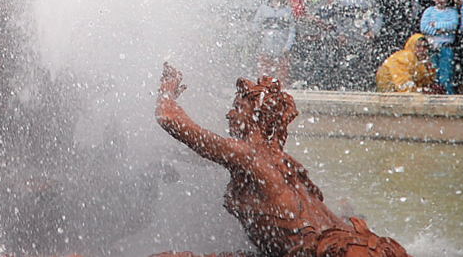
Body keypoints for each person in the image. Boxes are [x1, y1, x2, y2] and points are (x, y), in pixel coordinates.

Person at [151, 62, 412, 257]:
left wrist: (168, 89)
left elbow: (169, 119)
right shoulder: (283, 163)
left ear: (255, 117)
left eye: (237, 107)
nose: (229, 114)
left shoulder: (248, 156)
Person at [419, 0, 459, 94]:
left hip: (446, 46)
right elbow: (424, 28)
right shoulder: (429, 11)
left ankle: (448, 94)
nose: (440, 0)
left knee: (446, 74)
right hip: (432, 47)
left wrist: (435, 25)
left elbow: (453, 25)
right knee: (432, 74)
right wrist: (442, 30)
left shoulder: (452, 11)